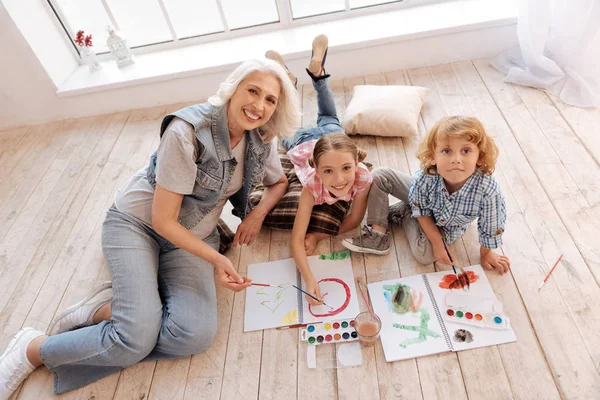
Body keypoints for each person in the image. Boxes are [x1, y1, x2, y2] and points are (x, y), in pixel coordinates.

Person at [0, 58, 301, 398]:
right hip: (138, 225)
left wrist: (255, 216)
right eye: (253, 91)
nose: (259, 106)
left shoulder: (261, 139)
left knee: (193, 336)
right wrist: (217, 260)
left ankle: (111, 313)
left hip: (193, 237)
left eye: (270, 100)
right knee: (133, 338)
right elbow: (163, 222)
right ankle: (33, 349)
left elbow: (279, 183)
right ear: (233, 89)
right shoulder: (186, 132)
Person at [265, 35, 372, 306]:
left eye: (347, 168)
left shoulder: (362, 176)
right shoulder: (311, 187)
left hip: (331, 143)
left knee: (330, 119)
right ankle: (302, 77)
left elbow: (354, 220)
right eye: (328, 173)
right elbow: (296, 238)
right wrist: (310, 280)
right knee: (306, 121)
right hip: (304, 144)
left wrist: (317, 235)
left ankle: (297, 78)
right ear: (315, 169)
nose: (339, 180)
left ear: (357, 161)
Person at [342, 116, 511, 274]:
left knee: (424, 256)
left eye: (466, 151)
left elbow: (491, 225)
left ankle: (405, 213)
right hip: (421, 198)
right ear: (433, 157)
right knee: (380, 175)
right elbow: (421, 207)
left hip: (446, 225)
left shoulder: (488, 190)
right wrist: (437, 242)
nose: (456, 159)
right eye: (446, 151)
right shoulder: (427, 176)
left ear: (480, 157)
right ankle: (378, 236)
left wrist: (486, 253)